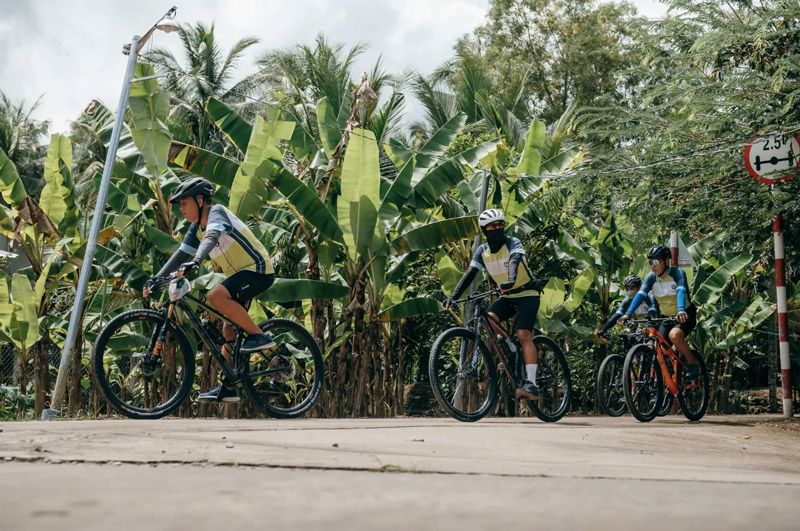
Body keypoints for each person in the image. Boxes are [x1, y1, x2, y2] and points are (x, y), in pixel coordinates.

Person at [143, 177, 276, 403]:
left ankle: (260, 336)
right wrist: (156, 279)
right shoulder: (196, 229)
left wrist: (196, 261)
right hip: (239, 275)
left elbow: (212, 237)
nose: (181, 208)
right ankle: (228, 387)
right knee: (229, 329)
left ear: (200, 200)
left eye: (184, 203)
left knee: (215, 295)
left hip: (258, 270)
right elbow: (180, 255)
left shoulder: (216, 213)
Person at [444, 208, 542, 398]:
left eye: (500, 224)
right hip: (507, 296)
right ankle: (510, 349)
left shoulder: (512, 242)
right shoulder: (482, 251)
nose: (497, 228)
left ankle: (531, 383)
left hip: (527, 293)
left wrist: (511, 280)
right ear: (484, 230)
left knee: (523, 334)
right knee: (489, 318)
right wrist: (453, 297)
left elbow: (515, 260)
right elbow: (470, 274)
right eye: (492, 226)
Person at [619, 245, 701, 380]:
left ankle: (692, 362)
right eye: (650, 262)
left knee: (674, 335)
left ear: (666, 261)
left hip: (685, 314)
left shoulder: (677, 273)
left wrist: (680, 309)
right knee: (659, 348)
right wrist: (627, 314)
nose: (652, 266)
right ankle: (667, 379)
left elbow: (681, 290)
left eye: (656, 262)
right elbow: (640, 295)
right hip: (665, 317)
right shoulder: (651, 277)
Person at [594, 275, 659, 337]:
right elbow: (616, 316)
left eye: (632, 288)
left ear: (639, 287)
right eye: (627, 289)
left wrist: (650, 325)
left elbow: (653, 307)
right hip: (642, 326)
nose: (629, 292)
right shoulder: (627, 301)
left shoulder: (649, 295)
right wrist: (603, 330)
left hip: (657, 322)